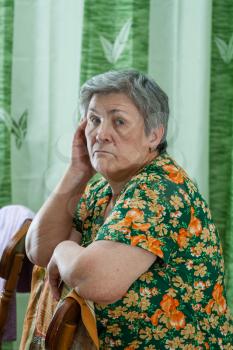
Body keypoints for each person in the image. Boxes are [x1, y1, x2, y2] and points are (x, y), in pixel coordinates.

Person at [25, 70, 233, 349]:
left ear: (154, 135)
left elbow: (95, 280)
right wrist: (77, 171)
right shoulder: (102, 190)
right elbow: (39, 249)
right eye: (94, 120)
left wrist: (64, 250)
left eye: (119, 121)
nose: (101, 134)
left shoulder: (161, 189)